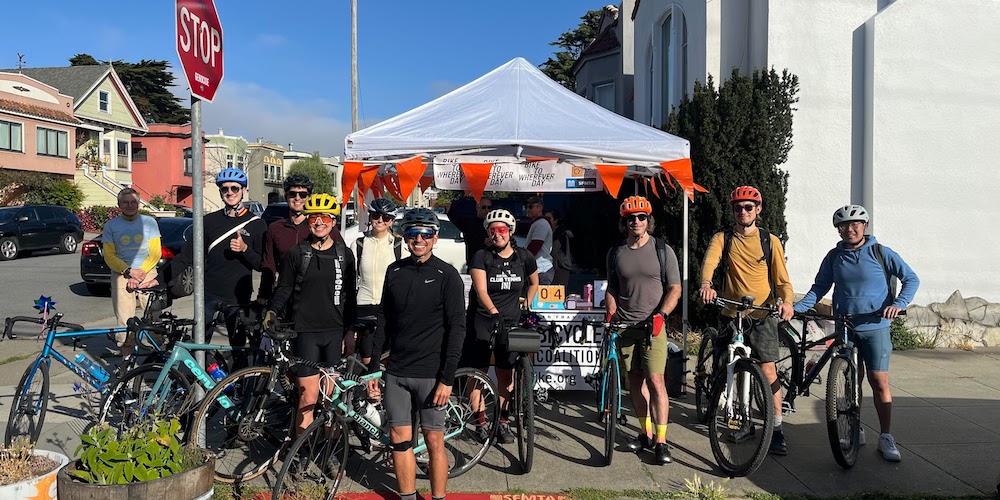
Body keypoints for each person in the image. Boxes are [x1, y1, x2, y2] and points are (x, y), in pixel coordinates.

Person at [794, 204, 919, 462]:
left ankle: (885, 436)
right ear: (838, 230)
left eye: (854, 225)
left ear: (864, 226)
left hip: (875, 327)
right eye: (843, 226)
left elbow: (911, 278)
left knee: (878, 381)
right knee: (852, 382)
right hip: (845, 326)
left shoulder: (880, 252)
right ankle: (854, 426)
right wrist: (797, 308)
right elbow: (819, 287)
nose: (849, 229)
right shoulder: (834, 256)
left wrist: (899, 304)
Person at [368, 208, 465, 500]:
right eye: (412, 234)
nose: (419, 239)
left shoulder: (447, 275)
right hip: (397, 371)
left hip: (431, 375)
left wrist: (447, 379)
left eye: (425, 234)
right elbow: (383, 320)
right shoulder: (395, 271)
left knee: (434, 441)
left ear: (435, 238)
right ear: (404, 237)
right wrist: (374, 368)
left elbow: (457, 329)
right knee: (399, 440)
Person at [699, 185, 795, 456]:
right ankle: (742, 421)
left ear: (758, 210)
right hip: (731, 313)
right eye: (738, 207)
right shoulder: (723, 238)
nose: (743, 211)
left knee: (768, 371)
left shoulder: (769, 240)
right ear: (733, 211)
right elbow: (710, 262)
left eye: (748, 207)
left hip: (762, 315)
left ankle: (776, 429)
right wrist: (706, 283)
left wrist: (787, 301)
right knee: (732, 367)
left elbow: (782, 279)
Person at [263, 193, 356, 434]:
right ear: (308, 221)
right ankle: (301, 453)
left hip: (334, 333)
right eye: (313, 217)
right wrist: (272, 310)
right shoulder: (297, 253)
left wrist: (350, 331)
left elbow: (350, 297)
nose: (319, 222)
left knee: (331, 401)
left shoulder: (344, 255)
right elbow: (284, 288)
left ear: (333, 222)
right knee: (308, 399)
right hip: (305, 333)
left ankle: (329, 452)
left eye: (324, 217)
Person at [145, 167, 266, 349]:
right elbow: (186, 256)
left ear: (243, 191)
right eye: (225, 189)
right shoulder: (209, 221)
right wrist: (159, 280)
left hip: (237, 297)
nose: (230, 193)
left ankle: (237, 377)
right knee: (200, 345)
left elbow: (261, 265)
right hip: (208, 294)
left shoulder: (257, 224)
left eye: (235, 188)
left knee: (237, 347)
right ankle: (202, 377)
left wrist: (245, 249)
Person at [605, 196, 682, 465]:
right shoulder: (616, 252)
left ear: (649, 220)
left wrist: (662, 315)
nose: (636, 221)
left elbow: (675, 288)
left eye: (641, 217)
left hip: (653, 327)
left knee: (656, 381)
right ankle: (645, 433)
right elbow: (612, 288)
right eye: (630, 218)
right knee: (635, 381)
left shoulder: (663, 250)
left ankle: (661, 441)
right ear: (623, 222)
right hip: (625, 328)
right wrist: (611, 311)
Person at [461, 208, 538, 444]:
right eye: (493, 231)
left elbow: (534, 282)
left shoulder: (523, 257)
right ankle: (481, 422)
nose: (497, 235)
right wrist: (493, 311)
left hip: (511, 322)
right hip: (483, 319)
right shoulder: (482, 256)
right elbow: (481, 289)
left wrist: (527, 302)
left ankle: (503, 421)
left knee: (506, 374)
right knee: (478, 373)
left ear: (510, 231)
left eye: (502, 230)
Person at [257, 173, 345, 306]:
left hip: (318, 298)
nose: (297, 198)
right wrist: (263, 295)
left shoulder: (321, 226)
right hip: (285, 298)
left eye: (303, 195)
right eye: (292, 194)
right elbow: (269, 265)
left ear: (309, 197)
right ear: (286, 196)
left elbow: (342, 261)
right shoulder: (275, 228)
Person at [102, 187, 161, 358]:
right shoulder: (111, 225)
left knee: (154, 318)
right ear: (119, 205)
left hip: (147, 273)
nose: (130, 205)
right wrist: (128, 271)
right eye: (125, 202)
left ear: (139, 203)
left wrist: (140, 272)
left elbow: (155, 252)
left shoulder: (149, 222)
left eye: (133, 202)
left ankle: (160, 360)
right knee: (124, 320)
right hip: (121, 274)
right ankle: (127, 363)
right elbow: (109, 255)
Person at [349, 197, 405, 365]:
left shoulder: (399, 245)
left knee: (389, 359)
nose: (380, 220)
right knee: (368, 361)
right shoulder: (358, 244)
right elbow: (351, 281)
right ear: (370, 217)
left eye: (386, 217)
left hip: (389, 307)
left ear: (392, 221)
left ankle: (385, 391)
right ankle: (370, 392)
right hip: (364, 306)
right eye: (376, 216)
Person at [447, 195, 491, 268]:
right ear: (478, 207)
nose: (487, 210)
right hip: (474, 262)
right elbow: (453, 218)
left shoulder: (493, 224)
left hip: (491, 263)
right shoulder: (469, 222)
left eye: (489, 208)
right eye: (484, 207)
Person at [524, 196, 554, 285]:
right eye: (526, 207)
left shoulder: (541, 224)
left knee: (538, 298)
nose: (527, 209)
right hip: (538, 269)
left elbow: (535, 246)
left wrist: (522, 258)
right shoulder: (538, 223)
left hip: (541, 270)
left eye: (530, 207)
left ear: (540, 207)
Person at [545, 209, 573, 288]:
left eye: (549, 218)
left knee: (559, 290)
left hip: (561, 266)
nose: (547, 220)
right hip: (555, 266)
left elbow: (554, 250)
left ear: (555, 220)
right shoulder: (551, 232)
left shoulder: (560, 233)